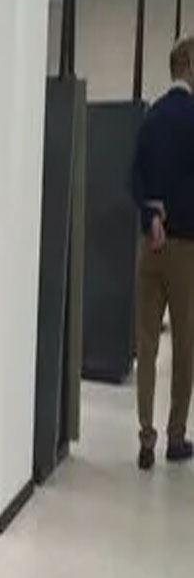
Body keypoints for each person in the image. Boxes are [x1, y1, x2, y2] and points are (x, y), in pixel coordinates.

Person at [132, 35, 194, 470]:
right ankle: (175, 436)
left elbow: (134, 177)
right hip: (186, 247)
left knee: (147, 344)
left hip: (149, 244)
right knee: (185, 345)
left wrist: (149, 213)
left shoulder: (151, 117)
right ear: (189, 66)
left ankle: (145, 439)